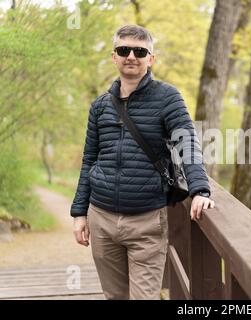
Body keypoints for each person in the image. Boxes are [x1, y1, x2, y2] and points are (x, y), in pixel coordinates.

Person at [70, 25, 214, 300]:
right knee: (115, 297)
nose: (131, 56)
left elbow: (188, 144)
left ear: (151, 58)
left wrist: (200, 190)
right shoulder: (100, 106)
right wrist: (79, 213)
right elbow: (89, 159)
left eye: (140, 51)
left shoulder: (168, 97)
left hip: (147, 221)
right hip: (101, 218)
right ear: (114, 56)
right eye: (124, 50)